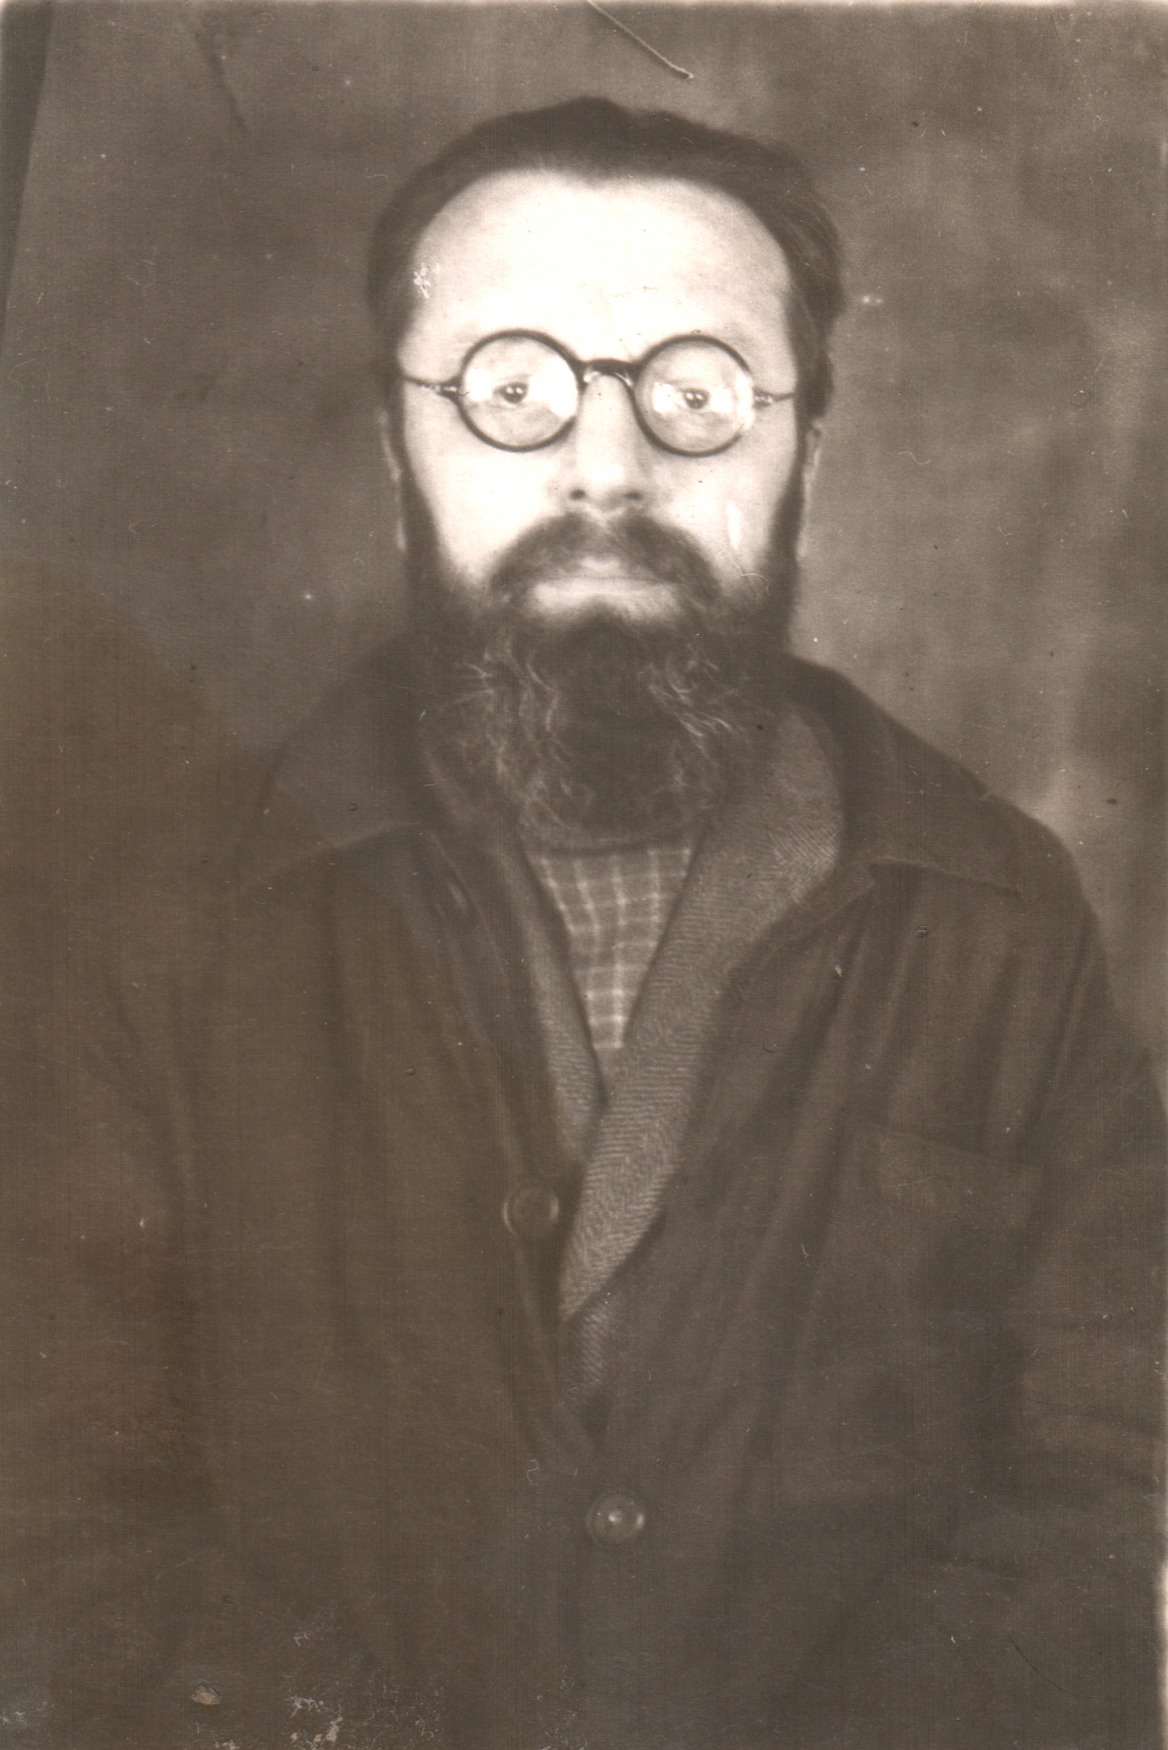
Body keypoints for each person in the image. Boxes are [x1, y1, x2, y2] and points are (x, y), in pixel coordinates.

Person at [3, 99, 1162, 1750]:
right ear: (397, 454)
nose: (608, 468)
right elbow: (48, 1512)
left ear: (808, 459)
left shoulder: (1007, 918)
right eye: (513, 390)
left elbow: (1114, 1486)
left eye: (697, 394)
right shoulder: (159, 926)